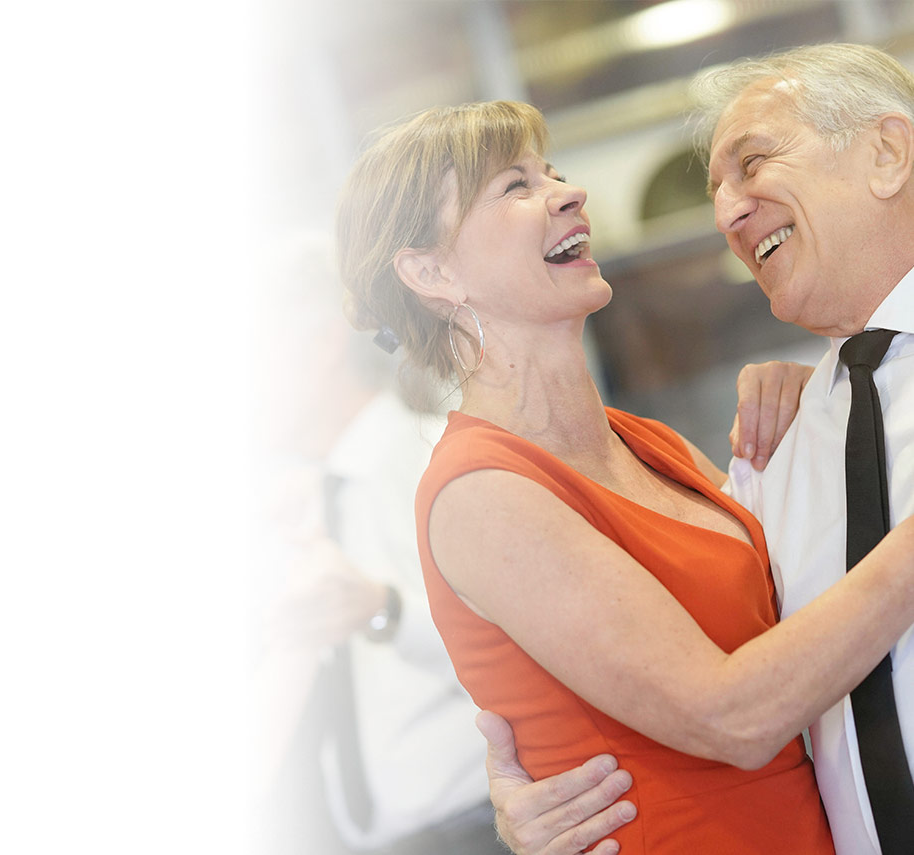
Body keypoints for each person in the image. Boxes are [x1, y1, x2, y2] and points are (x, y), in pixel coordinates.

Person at [334, 96, 914, 855]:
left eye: (555, 173)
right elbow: (729, 715)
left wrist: (821, 396)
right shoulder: (478, 493)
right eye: (516, 187)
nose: (567, 193)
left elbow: (803, 617)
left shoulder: (649, 446)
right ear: (430, 270)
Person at [251, 234, 504, 855]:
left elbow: (520, 634)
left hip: (477, 826)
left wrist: (382, 608)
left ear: (321, 346)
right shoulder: (314, 502)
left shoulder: (431, 460)